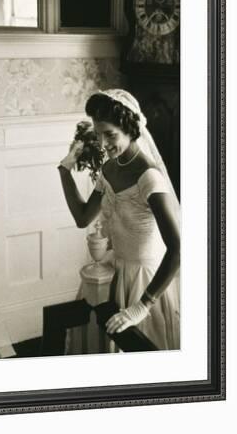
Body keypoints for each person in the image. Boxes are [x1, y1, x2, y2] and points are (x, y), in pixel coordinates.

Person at [58, 89, 180, 350]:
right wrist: (64, 169)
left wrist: (141, 306)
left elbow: (178, 249)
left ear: (130, 128)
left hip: (145, 282)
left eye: (110, 135)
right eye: (98, 134)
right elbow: (82, 218)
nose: (102, 143)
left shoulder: (148, 176)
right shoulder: (109, 169)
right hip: (116, 275)